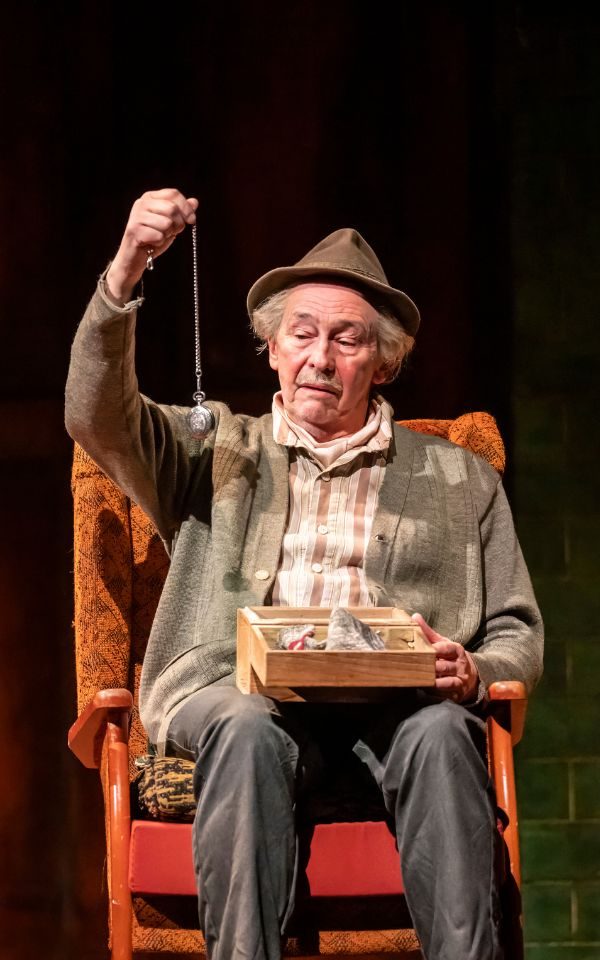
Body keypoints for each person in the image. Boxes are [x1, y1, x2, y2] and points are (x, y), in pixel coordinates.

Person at [65, 188, 543, 960]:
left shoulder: (461, 477)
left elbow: (516, 629)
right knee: (247, 726)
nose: (321, 357)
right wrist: (125, 272)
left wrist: (475, 670)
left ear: (382, 362)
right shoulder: (213, 447)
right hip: (239, 696)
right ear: (274, 347)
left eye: (348, 340)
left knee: (445, 732)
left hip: (397, 705)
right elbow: (94, 415)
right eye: (304, 334)